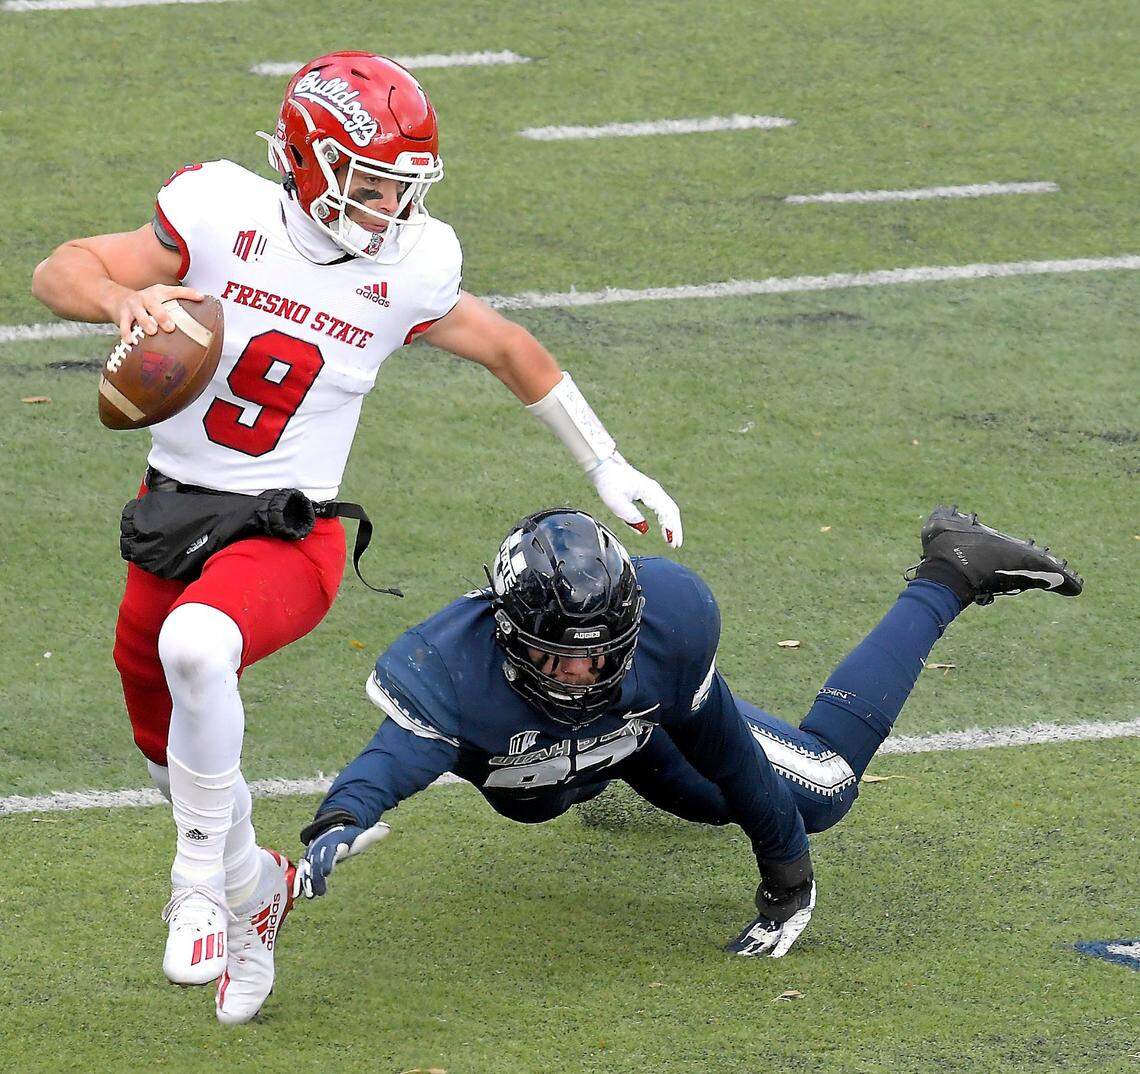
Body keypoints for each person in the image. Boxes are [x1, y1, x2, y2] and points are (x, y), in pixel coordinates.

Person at [29, 53, 681, 1025]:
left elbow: (506, 345)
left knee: (196, 647)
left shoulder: (410, 268)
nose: (390, 208)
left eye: (403, 188)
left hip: (293, 532)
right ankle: (259, 891)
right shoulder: (218, 211)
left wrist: (606, 462)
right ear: (303, 160)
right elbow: (60, 269)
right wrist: (122, 301)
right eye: (372, 183)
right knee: (168, 746)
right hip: (171, 512)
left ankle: (200, 883)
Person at [295, 505, 1082, 967]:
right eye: (556, 656)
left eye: (601, 652)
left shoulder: (666, 635)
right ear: (506, 635)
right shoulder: (452, 669)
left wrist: (787, 874)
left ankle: (953, 567)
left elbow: (731, 759)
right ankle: (605, 788)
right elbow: (391, 761)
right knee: (633, 785)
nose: (579, 675)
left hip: (645, 738)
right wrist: (341, 817)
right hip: (608, 754)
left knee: (825, 788)